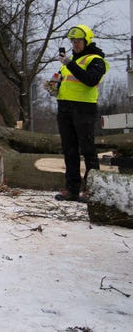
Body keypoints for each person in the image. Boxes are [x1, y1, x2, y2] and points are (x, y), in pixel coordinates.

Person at [53, 24, 108, 203]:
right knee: (69, 150)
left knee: (88, 150)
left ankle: (92, 190)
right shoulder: (69, 63)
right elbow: (67, 82)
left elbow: (90, 80)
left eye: (78, 41)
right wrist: (54, 86)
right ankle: (72, 189)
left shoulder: (96, 59)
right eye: (73, 41)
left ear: (87, 41)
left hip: (83, 108)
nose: (75, 44)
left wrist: (69, 63)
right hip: (65, 108)